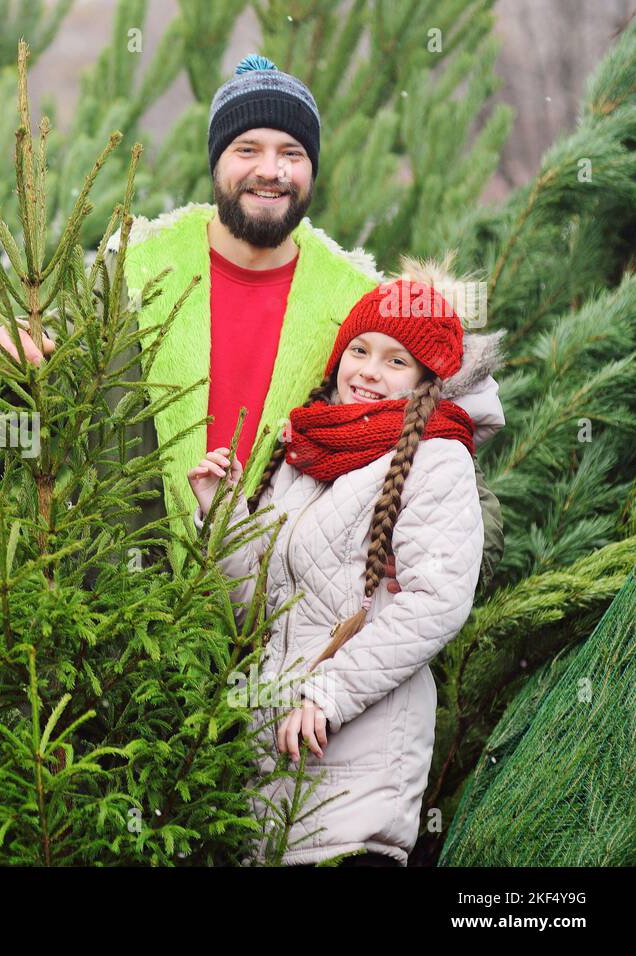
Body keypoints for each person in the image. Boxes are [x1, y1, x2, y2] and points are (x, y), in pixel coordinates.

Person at [0, 55, 504, 582]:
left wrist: (427, 562)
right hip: (115, 614)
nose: (270, 170)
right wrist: (6, 361)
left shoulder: (359, 305)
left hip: (272, 628)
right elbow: (22, 401)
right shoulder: (131, 269)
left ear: (310, 170)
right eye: (247, 149)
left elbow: (450, 461)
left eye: (292, 153)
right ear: (217, 162)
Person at [187, 264, 504, 865]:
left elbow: (436, 603)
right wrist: (221, 515)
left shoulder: (437, 459)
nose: (369, 370)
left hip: (357, 773)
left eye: (396, 360)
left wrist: (328, 693)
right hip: (272, 772)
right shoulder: (308, 452)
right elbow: (252, 608)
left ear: (424, 381)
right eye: (360, 350)